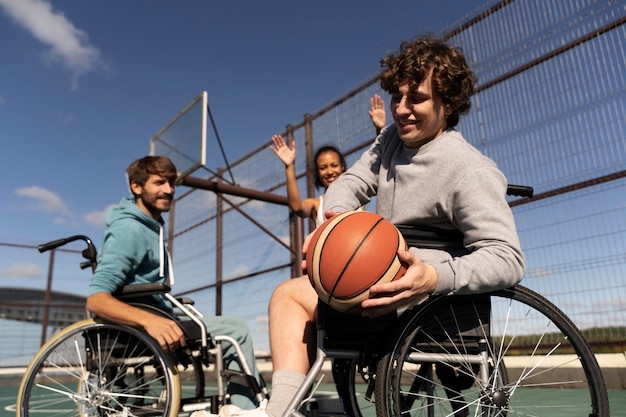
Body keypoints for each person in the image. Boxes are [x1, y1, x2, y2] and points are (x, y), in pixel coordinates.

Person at [223, 34, 525, 417]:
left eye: (416, 98)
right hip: (376, 289)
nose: (401, 109)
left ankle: (278, 411)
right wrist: (331, 226)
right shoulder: (391, 139)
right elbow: (350, 182)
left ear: (448, 103)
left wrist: (433, 277)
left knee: (288, 295)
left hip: (424, 302)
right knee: (297, 287)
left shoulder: (468, 168)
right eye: (397, 97)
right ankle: (283, 409)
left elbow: (507, 258)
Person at [86, 156, 261, 413]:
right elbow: (96, 300)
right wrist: (150, 321)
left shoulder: (149, 227)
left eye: (171, 183)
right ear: (136, 187)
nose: (169, 190)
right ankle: (247, 410)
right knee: (236, 330)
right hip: (142, 328)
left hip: (157, 316)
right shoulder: (129, 230)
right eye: (159, 183)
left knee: (233, 325)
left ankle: (245, 405)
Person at [269, 96, 382, 227]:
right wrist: (289, 166)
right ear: (317, 172)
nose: (329, 172)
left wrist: (380, 130)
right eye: (323, 168)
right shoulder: (316, 204)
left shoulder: (356, 195)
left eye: (334, 165)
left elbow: (378, 164)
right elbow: (297, 207)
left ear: (342, 167)